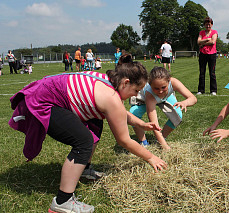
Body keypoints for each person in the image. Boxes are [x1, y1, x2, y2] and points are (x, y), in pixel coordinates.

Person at [8, 55, 167, 213]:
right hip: (44, 102)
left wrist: (141, 124)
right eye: (136, 90)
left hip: (47, 94)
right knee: (83, 142)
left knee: (95, 121)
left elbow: (118, 113)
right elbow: (124, 140)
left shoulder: (109, 82)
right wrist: (151, 157)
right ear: (126, 83)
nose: (136, 95)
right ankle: (62, 202)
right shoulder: (111, 98)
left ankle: (84, 169)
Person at [130, 67, 197, 150]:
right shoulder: (149, 94)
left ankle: (161, 139)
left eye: (163, 87)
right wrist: (165, 147)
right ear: (150, 84)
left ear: (168, 81)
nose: (160, 91)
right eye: (156, 88)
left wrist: (184, 103)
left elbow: (193, 98)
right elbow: (154, 124)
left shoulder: (174, 82)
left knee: (178, 115)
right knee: (133, 114)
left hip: (166, 98)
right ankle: (143, 142)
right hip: (145, 100)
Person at [197, 17, 218, 96]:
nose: (208, 26)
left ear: (212, 25)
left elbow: (213, 42)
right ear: (204, 25)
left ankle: (213, 90)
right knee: (202, 73)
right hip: (202, 54)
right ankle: (201, 90)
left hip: (212, 54)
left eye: (209, 24)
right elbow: (198, 42)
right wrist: (207, 40)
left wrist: (202, 42)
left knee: (212, 73)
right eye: (206, 25)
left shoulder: (214, 32)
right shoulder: (201, 32)